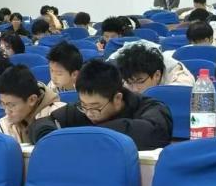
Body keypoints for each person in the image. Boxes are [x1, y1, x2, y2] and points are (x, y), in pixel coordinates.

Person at [30, 59, 172, 150]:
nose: (89, 113)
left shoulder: (151, 108)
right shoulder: (85, 108)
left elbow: (154, 132)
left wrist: (84, 136)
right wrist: (51, 138)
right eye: (84, 105)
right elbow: (41, 124)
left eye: (96, 107)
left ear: (117, 98)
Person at [0, 65, 63, 144]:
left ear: (32, 100)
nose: (6, 111)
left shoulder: (60, 117)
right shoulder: (7, 124)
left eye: (11, 105)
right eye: (2, 104)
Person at [110, 41, 194, 93]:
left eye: (140, 81)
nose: (135, 89)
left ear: (157, 75)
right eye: (129, 83)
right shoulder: (125, 75)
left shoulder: (181, 79)